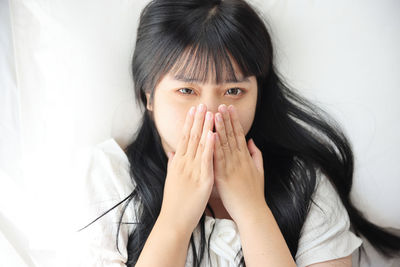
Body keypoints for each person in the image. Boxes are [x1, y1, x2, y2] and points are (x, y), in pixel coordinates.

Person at [73, 0, 400, 266]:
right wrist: (175, 218)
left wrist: (252, 210)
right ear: (148, 96)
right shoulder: (110, 175)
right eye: (187, 90)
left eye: (233, 91)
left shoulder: (303, 184)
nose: (212, 112)